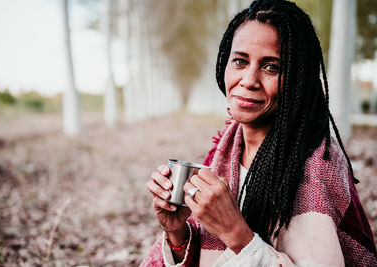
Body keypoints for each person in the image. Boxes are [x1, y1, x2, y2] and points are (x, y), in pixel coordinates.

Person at [142, 0, 377, 266]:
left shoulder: (315, 167)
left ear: (298, 79)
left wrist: (237, 234)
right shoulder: (225, 150)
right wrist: (176, 233)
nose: (249, 80)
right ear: (224, 65)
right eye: (240, 61)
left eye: (271, 67)